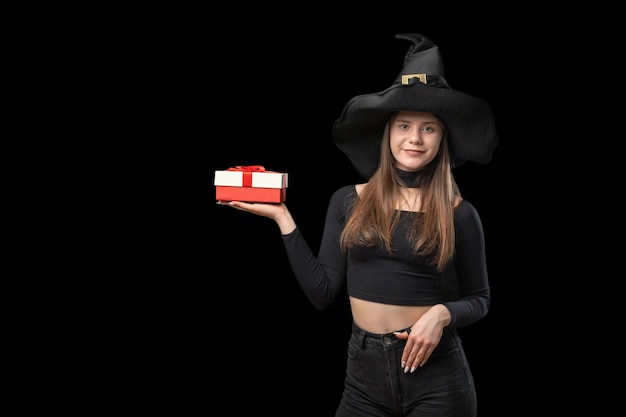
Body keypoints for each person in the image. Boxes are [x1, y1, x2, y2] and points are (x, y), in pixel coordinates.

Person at [218, 33, 499, 417]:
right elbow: (322, 293)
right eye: (404, 126)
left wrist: (442, 314)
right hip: (363, 377)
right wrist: (283, 217)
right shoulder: (348, 199)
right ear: (388, 134)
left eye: (428, 128)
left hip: (438, 376)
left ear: (441, 140)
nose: (414, 138)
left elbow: (480, 299)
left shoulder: (459, 212)